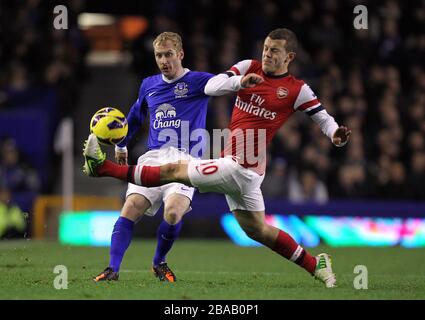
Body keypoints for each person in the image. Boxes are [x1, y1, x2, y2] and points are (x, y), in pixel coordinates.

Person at [84, 28, 351, 288]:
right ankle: (316, 265)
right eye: (266, 48)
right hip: (236, 164)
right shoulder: (248, 66)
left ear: (289, 57)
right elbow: (216, 84)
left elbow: (321, 115)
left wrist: (334, 132)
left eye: (275, 51)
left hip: (242, 167)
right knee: (258, 230)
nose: (267, 54)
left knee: (174, 173)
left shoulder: (297, 89)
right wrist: (238, 82)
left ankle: (102, 168)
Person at [92, 32, 213, 282]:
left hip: (185, 161)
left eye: (169, 54)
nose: (164, 60)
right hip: (154, 157)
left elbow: (227, 85)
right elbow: (135, 117)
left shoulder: (199, 81)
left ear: (180, 54)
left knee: (172, 213)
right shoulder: (149, 84)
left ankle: (159, 262)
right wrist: (122, 146)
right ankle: (112, 268)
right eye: (159, 55)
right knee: (131, 207)